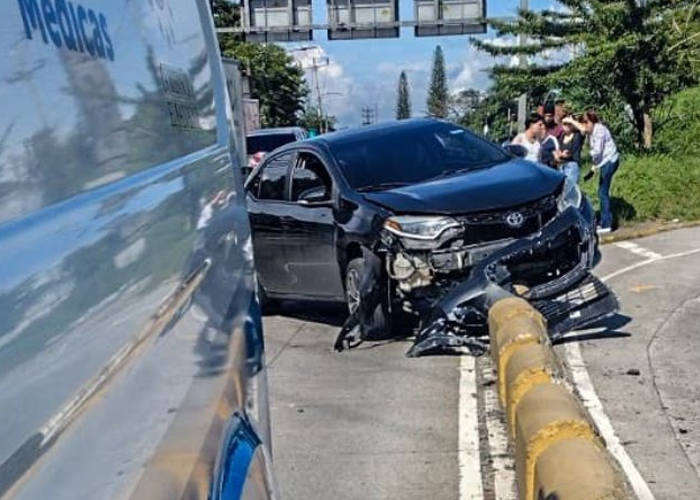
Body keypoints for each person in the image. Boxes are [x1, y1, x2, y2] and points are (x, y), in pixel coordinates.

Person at [564, 111, 620, 234]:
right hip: (605, 161)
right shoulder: (594, 131)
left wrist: (590, 156)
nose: (584, 126)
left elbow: (597, 152)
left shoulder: (599, 130)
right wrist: (593, 167)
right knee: (602, 192)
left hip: (610, 161)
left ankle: (607, 224)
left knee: (602, 193)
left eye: (585, 123)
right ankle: (604, 221)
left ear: (590, 122)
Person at [555, 116, 584, 196]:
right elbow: (557, 151)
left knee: (571, 190)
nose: (567, 126)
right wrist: (561, 155)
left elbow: (584, 129)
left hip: (572, 165)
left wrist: (571, 120)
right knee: (562, 192)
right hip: (561, 166)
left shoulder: (577, 135)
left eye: (569, 124)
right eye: (564, 124)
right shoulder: (561, 137)